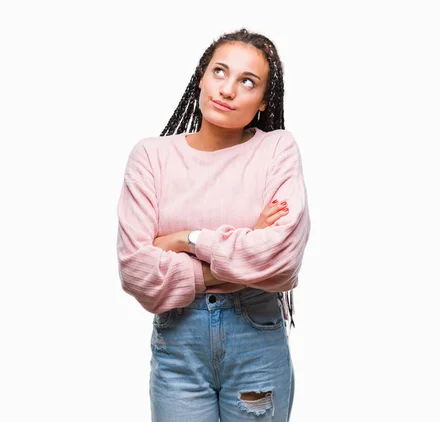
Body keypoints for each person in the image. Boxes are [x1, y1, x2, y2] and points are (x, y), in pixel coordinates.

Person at [116, 28, 311, 421]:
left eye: (247, 81)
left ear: (261, 103)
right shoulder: (151, 157)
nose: (228, 90)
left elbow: (282, 259)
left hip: (255, 338)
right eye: (219, 72)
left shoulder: (276, 149)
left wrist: (184, 239)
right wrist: (245, 250)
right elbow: (136, 271)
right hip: (179, 347)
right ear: (201, 78)